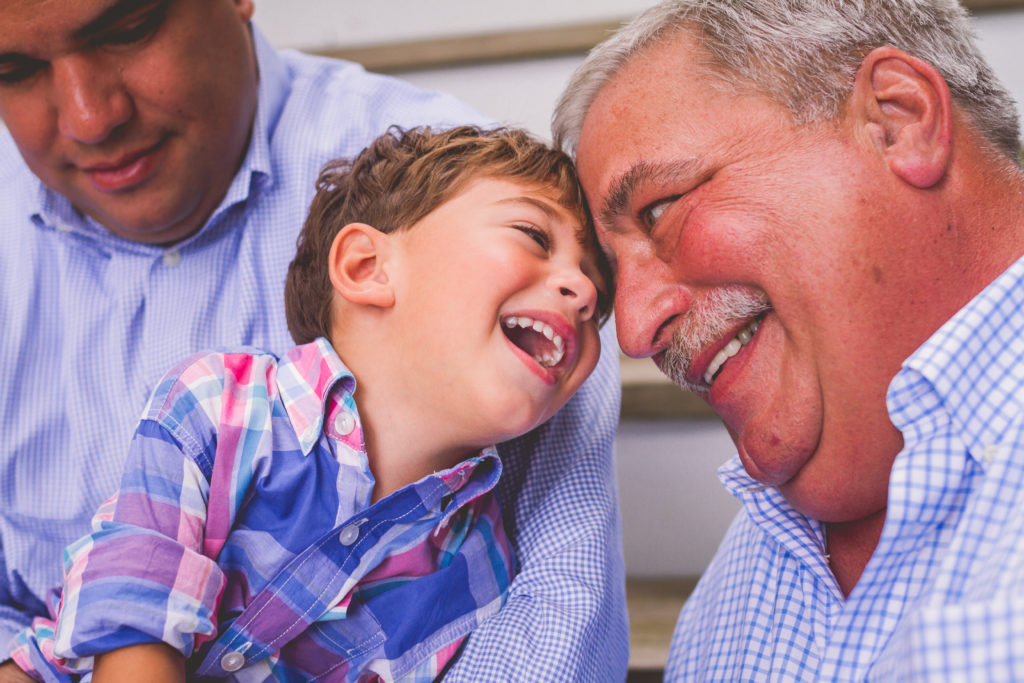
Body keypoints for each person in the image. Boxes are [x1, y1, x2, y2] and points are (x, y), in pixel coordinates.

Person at [0, 1, 628, 681]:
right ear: (364, 267)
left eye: (127, 28)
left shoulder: (477, 559)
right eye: (11, 68)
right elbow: (131, 606)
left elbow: (553, 620)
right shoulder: (217, 406)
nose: (90, 116)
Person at [553, 0, 1024, 679]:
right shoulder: (727, 604)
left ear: (899, 121)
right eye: (611, 269)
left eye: (659, 208)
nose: (632, 328)